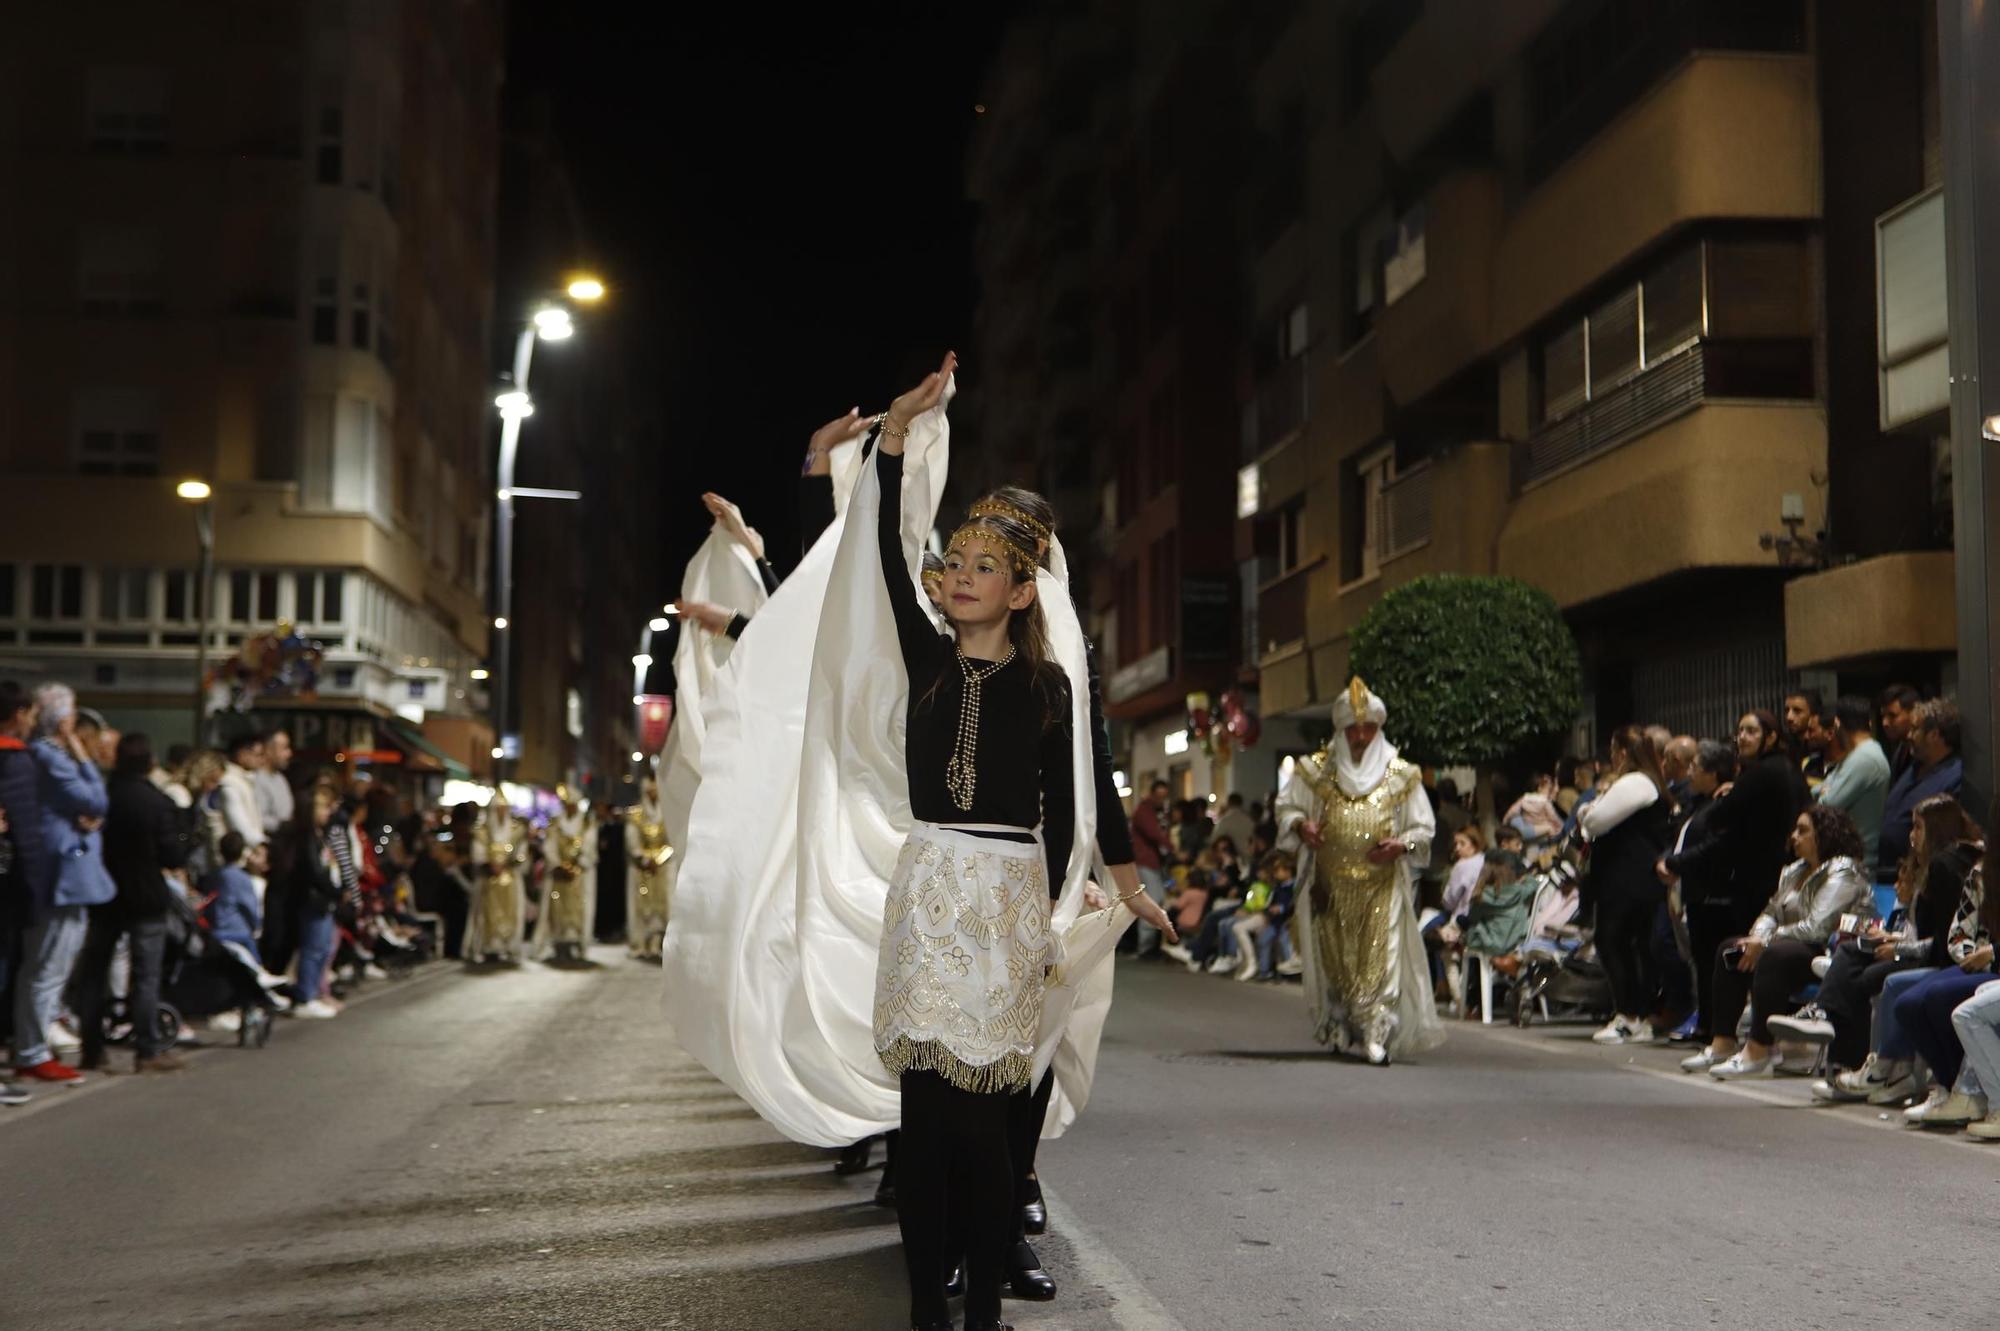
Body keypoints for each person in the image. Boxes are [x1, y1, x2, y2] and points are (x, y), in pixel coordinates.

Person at [867, 354, 1076, 1331]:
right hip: (928, 884)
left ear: (1022, 591)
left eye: (982, 565)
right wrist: (896, 438)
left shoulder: (1047, 690)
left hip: (1003, 894)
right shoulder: (922, 660)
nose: (958, 575)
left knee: (981, 1125)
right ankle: (924, 1309)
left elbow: (1064, 813)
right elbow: (879, 549)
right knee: (921, 1114)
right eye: (951, 563)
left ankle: (983, 1305)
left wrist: (1051, 919)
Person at [1276, 677, 1442, 1066]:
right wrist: (1303, 826)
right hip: (1328, 884)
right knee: (1333, 956)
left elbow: (1423, 828)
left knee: (1380, 959)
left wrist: (1402, 844)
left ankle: (1376, 1029)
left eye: (1369, 728)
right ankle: (1339, 1024)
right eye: (1354, 729)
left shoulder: (1402, 774)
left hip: (1381, 886)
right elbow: (1287, 809)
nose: (1362, 736)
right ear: (1341, 729)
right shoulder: (1314, 772)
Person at [1798, 795, 1979, 1094]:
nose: (1911, 836)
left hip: (1943, 959)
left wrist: (1898, 948)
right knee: (1853, 950)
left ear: (1936, 829)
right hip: (1920, 949)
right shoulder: (1926, 866)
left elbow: (1944, 943)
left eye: (1918, 828)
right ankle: (1830, 1029)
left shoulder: (1946, 869)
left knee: (1869, 979)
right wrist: (1895, 940)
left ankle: (1878, 1064)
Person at [1683, 805, 1872, 1079]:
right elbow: (1771, 912)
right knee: (1731, 948)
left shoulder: (1844, 870)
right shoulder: (1794, 871)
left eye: (1803, 831)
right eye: (1795, 830)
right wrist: (1757, 938)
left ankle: (1760, 1050)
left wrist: (1767, 942)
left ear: (1825, 834)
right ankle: (1722, 1042)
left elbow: (1817, 928)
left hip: (1830, 952)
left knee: (1775, 955)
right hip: (1790, 945)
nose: (1794, 836)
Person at [13, 684, 116, 1084]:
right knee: (48, 966)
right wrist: (80, 754)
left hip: (66, 872)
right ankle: (32, 1049)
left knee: (46, 965)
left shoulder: (46, 756)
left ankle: (32, 1046)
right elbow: (96, 802)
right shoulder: (50, 756)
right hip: (63, 874)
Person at [75, 733, 194, 1073]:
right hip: (146, 895)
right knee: (145, 975)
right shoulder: (155, 802)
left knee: (94, 972)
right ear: (149, 762)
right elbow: (172, 854)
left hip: (105, 893)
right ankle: (147, 1048)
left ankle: (92, 1047)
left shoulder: (105, 796)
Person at [1582, 726, 1674, 1045]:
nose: (1610, 757)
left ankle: (1629, 1015)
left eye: (1612, 750)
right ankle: (1634, 1014)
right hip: (1631, 878)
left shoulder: (1635, 782)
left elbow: (1593, 821)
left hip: (1627, 879)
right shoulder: (1646, 783)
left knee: (1613, 941)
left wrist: (1589, 811)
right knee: (1628, 945)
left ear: (1622, 752)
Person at [1656, 740, 1739, 1046]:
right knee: (1699, 961)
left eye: (1696, 768)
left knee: (1710, 964)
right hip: (1692, 892)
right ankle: (1704, 1023)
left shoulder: (1723, 803)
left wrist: (1676, 863)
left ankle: (1714, 1027)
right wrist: (1666, 860)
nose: (1689, 772)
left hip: (1715, 894)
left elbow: (1714, 847)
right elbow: (1679, 836)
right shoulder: (1696, 802)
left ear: (1713, 773)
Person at [273, 784, 343, 1019]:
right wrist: (333, 890)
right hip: (313, 901)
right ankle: (306, 996)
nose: (327, 813)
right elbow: (314, 870)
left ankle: (311, 993)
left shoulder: (316, 834)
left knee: (322, 949)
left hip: (321, 900)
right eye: (323, 807)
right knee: (313, 949)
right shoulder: (305, 837)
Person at [1878, 699, 1964, 882]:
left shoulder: (1954, 776)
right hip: (1890, 872)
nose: (1908, 735)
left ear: (1934, 735)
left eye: (1915, 729)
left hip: (1923, 878)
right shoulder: (1911, 766)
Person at [1815, 695, 1891, 866]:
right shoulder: (1856, 755)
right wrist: (1825, 790)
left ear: (1836, 724)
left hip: (1857, 863)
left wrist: (1825, 792)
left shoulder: (1865, 757)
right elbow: (1820, 789)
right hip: (1847, 860)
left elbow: (1826, 806)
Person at [467, 797, 529, 964]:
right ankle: (489, 947)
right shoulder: (483, 831)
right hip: (489, 880)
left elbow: (522, 853)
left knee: (511, 912)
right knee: (487, 913)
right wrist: (490, 865)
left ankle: (508, 945)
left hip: (510, 878)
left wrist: (509, 863)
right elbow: (478, 853)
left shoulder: (516, 829)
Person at [625, 775, 671, 960]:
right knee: (641, 905)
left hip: (663, 868)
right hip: (641, 869)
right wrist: (644, 860)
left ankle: (656, 943)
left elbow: (674, 839)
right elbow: (632, 841)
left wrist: (658, 859)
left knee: (662, 905)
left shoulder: (668, 813)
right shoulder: (636, 815)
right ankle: (641, 943)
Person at [1129, 779, 1173, 957]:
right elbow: (1154, 833)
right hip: (1145, 861)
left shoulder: (1158, 811)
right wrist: (1172, 847)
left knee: (1156, 899)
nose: (1161, 800)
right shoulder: (1145, 811)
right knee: (1153, 900)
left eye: (1164, 796)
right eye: (1159, 796)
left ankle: (1149, 945)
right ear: (1152, 794)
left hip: (1152, 862)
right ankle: (1145, 947)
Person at [217, 732, 266, 851]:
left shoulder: (245, 781)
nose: (262, 760)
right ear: (242, 754)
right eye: (258, 755)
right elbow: (238, 825)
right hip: (237, 857)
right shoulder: (229, 784)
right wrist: (262, 844)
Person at [1878, 684, 1922, 785]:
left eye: (1892, 716)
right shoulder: (1901, 748)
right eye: (1883, 716)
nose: (1885, 723)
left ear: (1914, 713)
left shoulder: (1925, 753)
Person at [255, 728, 294, 839]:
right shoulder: (258, 780)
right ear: (268, 750)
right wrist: (281, 825)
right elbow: (259, 818)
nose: (289, 753)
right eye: (284, 748)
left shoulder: (281, 779)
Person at [1783, 687, 1825, 787]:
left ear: (1814, 715)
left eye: (1797, 711)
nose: (1789, 717)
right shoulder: (1784, 745)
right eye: (1786, 710)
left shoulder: (1825, 744)